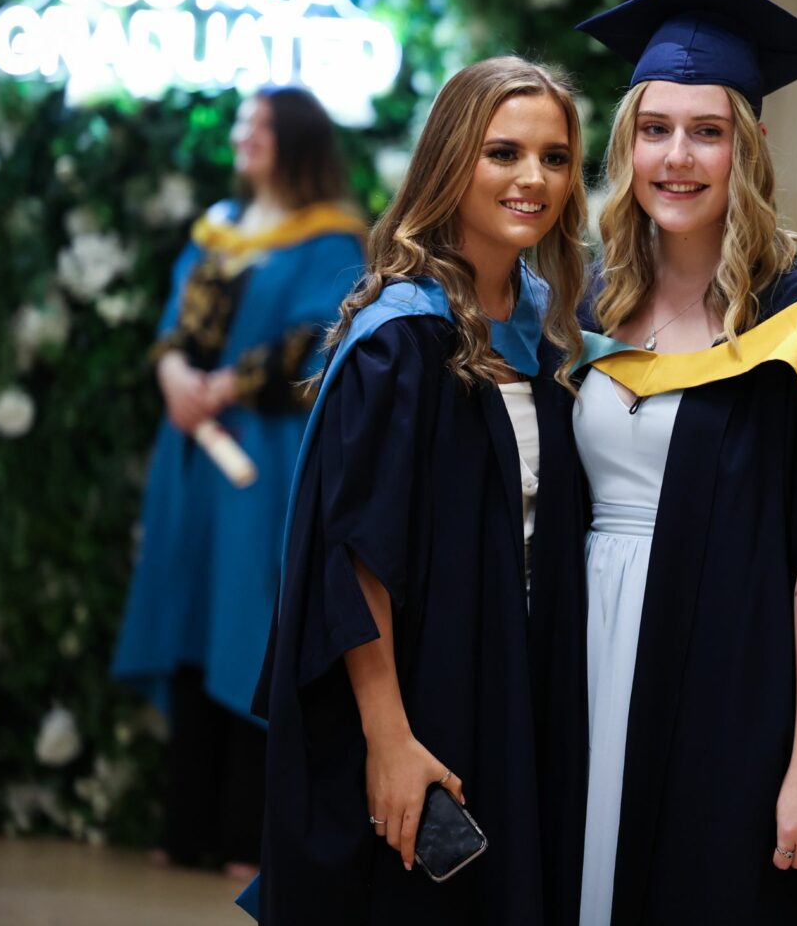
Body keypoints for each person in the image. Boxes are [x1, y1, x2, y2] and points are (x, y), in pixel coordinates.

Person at [529, 0, 797, 926]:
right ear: (628, 144)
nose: (678, 158)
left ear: (752, 148)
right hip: (582, 652)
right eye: (655, 131)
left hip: (734, 676)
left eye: (707, 133)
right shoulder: (586, 304)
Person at [244, 57, 589, 924]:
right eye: (503, 152)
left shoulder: (551, 335)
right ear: (449, 161)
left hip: (521, 675)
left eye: (554, 157)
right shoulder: (402, 337)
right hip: (427, 686)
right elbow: (356, 556)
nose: (531, 179)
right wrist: (390, 739)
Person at [112, 85, 365, 875]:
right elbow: (174, 327)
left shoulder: (333, 241)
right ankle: (183, 828)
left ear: (295, 139)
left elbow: (324, 336)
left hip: (263, 454)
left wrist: (229, 384)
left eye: (259, 125)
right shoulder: (218, 230)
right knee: (188, 616)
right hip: (193, 456)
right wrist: (176, 376)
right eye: (242, 125)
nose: (243, 137)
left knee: (248, 625)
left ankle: (243, 836)